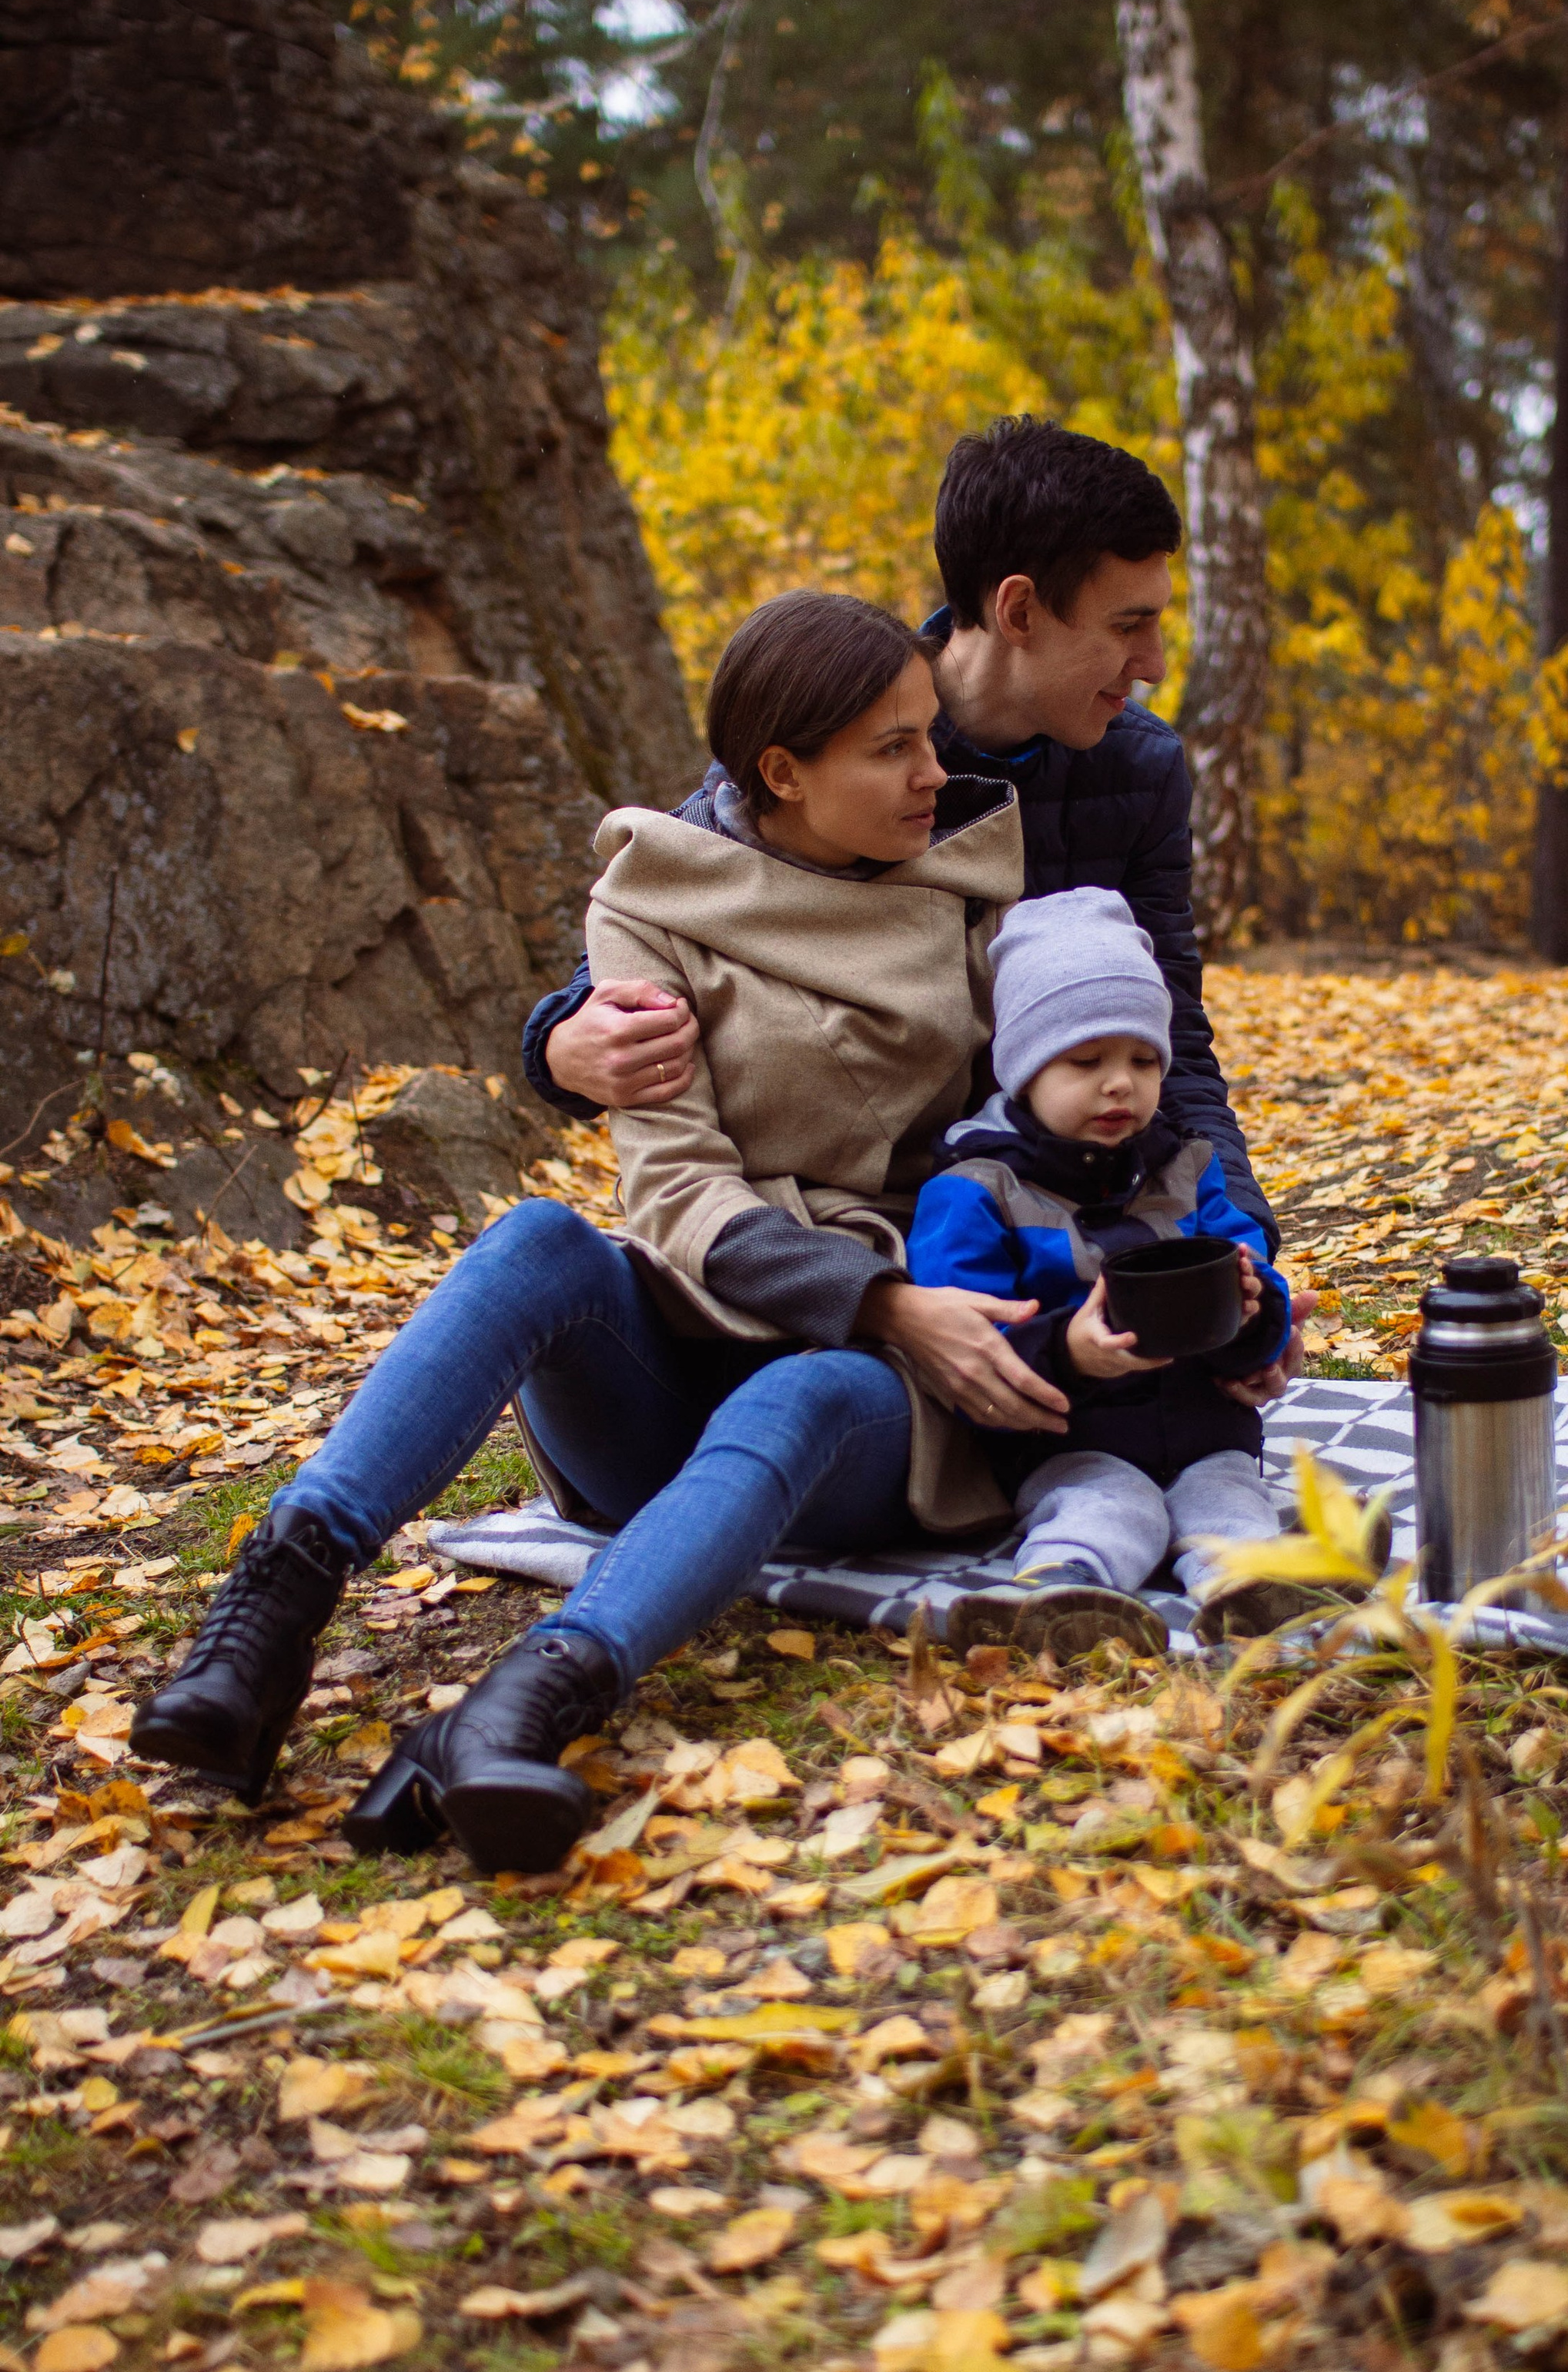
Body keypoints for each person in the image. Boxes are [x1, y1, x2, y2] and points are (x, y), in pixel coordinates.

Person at [133, 590, 1059, 1877]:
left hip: (890, 1388)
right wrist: (876, 1297)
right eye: (892, 748)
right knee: (535, 1242)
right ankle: (266, 1622)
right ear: (781, 774)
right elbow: (673, 1197)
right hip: (700, 1360)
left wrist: (940, 1303)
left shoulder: (976, 891)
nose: (934, 771)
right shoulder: (655, 902)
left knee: (806, 1387)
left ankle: (522, 1709)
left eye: (929, 735)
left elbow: (1072, 1115)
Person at [525, 420, 1303, 1414]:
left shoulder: (1139, 770)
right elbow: (693, 906)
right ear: (1019, 607)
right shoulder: (844, 715)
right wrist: (559, 1044)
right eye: (1126, 625)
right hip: (868, 1233)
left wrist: (1240, 1256)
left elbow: (1170, 1038)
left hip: (1068, 1212)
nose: (1152, 661)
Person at [907, 889, 1307, 1661]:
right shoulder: (976, 1189)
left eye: (1142, 1059)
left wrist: (1255, 1315)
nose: (1119, 1082)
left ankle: (1254, 1591)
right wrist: (1070, 1353)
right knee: (1112, 1507)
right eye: (1086, 1061)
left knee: (1227, 1499)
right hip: (1068, 1435)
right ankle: (1059, 1594)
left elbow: (1256, 1313)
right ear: (1022, 1071)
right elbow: (966, 1349)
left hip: (1201, 1424)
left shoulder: (1188, 1165)